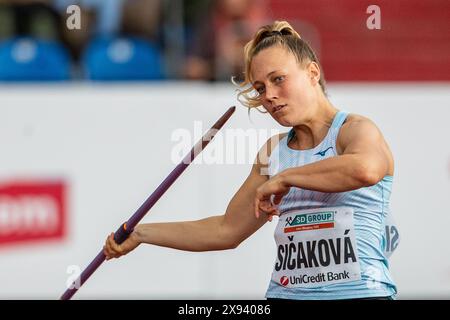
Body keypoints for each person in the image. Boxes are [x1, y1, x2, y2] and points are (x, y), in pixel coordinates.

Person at [104, 20, 398, 300]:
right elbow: (226, 230)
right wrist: (141, 233)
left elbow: (365, 169)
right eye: (260, 88)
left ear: (312, 73)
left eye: (278, 79)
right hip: (286, 295)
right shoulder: (274, 151)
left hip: (359, 293)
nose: (269, 96)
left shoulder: (354, 130)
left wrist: (285, 178)